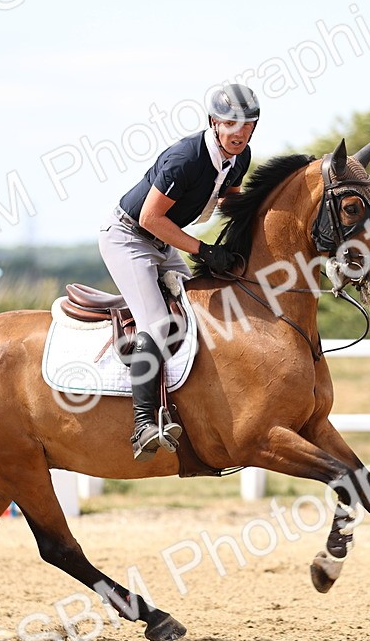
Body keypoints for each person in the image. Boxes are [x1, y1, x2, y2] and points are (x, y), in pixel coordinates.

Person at [98, 83, 258, 461]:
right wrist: (204, 250)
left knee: (198, 316)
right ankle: (142, 424)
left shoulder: (242, 156)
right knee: (156, 324)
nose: (240, 132)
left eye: (248, 124)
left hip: (164, 240)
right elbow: (149, 217)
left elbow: (229, 201)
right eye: (231, 123)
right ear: (214, 123)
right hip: (129, 236)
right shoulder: (186, 158)